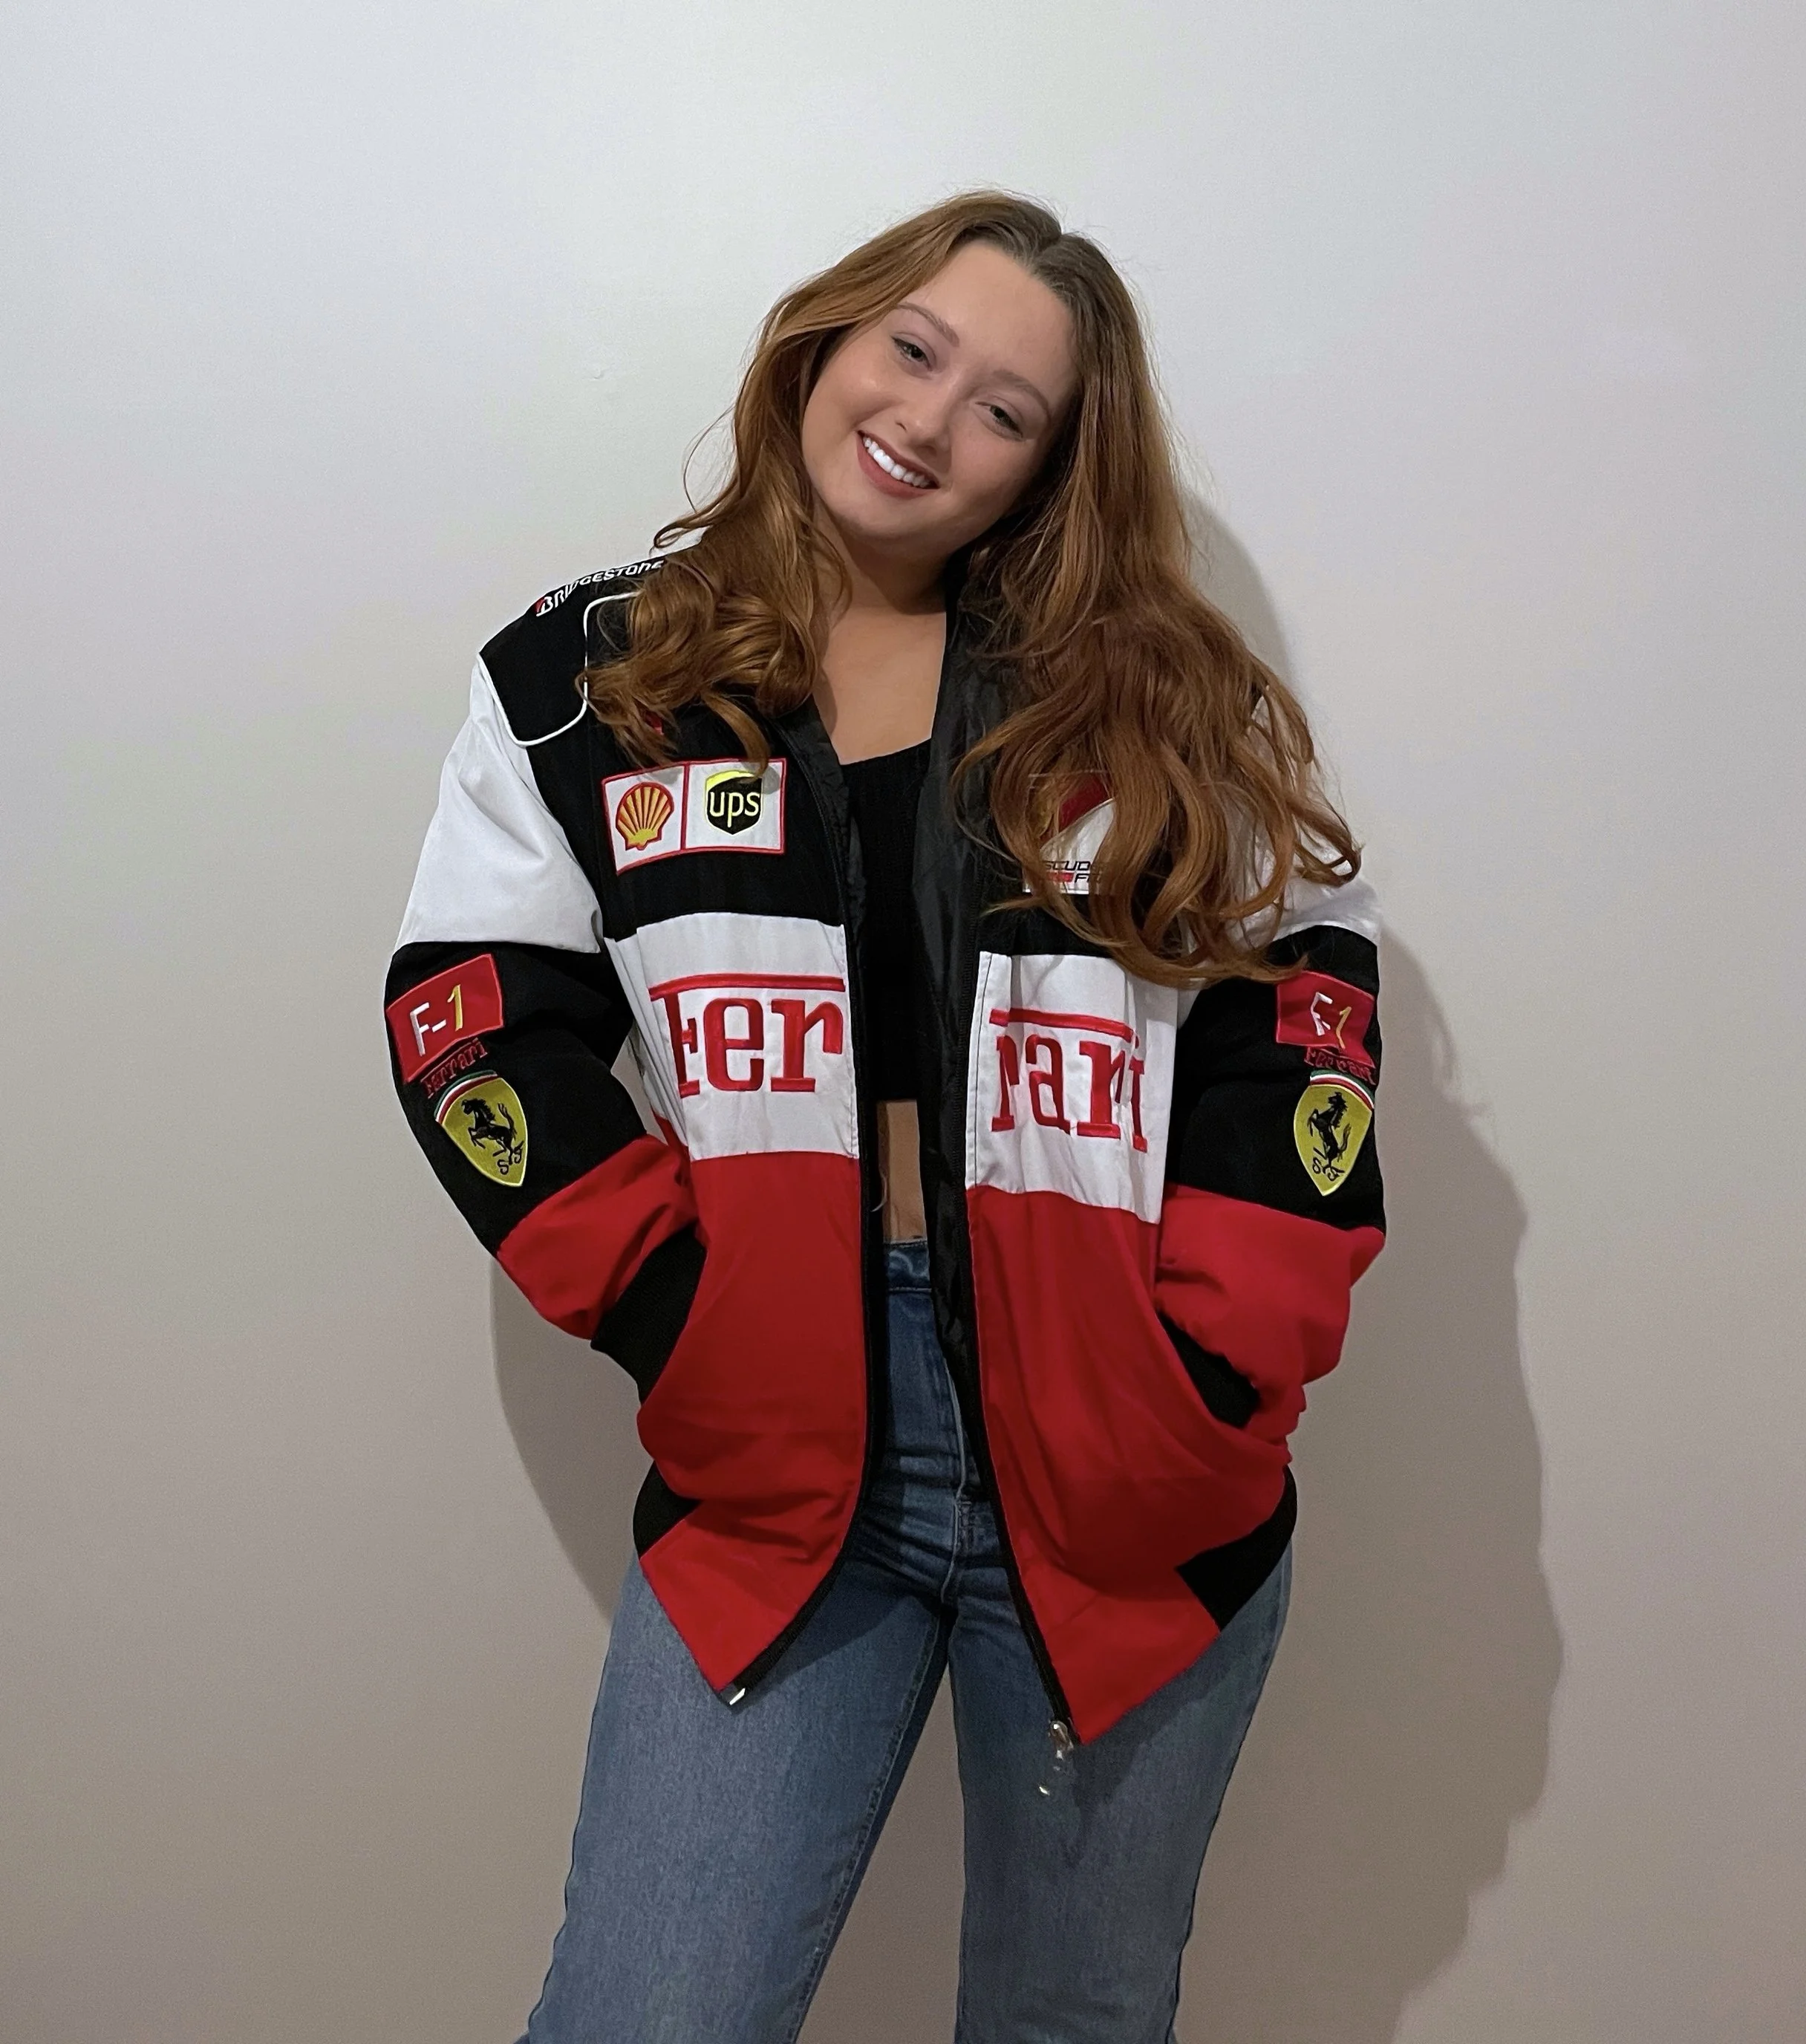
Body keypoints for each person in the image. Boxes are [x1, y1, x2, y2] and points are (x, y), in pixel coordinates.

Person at [385, 190, 1385, 2044]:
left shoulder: (1162, 700)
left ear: (1046, 469)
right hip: (783, 1472)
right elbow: (470, 1022)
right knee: (643, 2015)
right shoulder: (587, 684)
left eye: (1005, 408)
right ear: (824, 341)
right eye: (913, 351)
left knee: (1071, 2022)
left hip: (1124, 1470)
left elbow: (1302, 1017)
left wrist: (1213, 1362)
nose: (930, 421)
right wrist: (680, 1316)